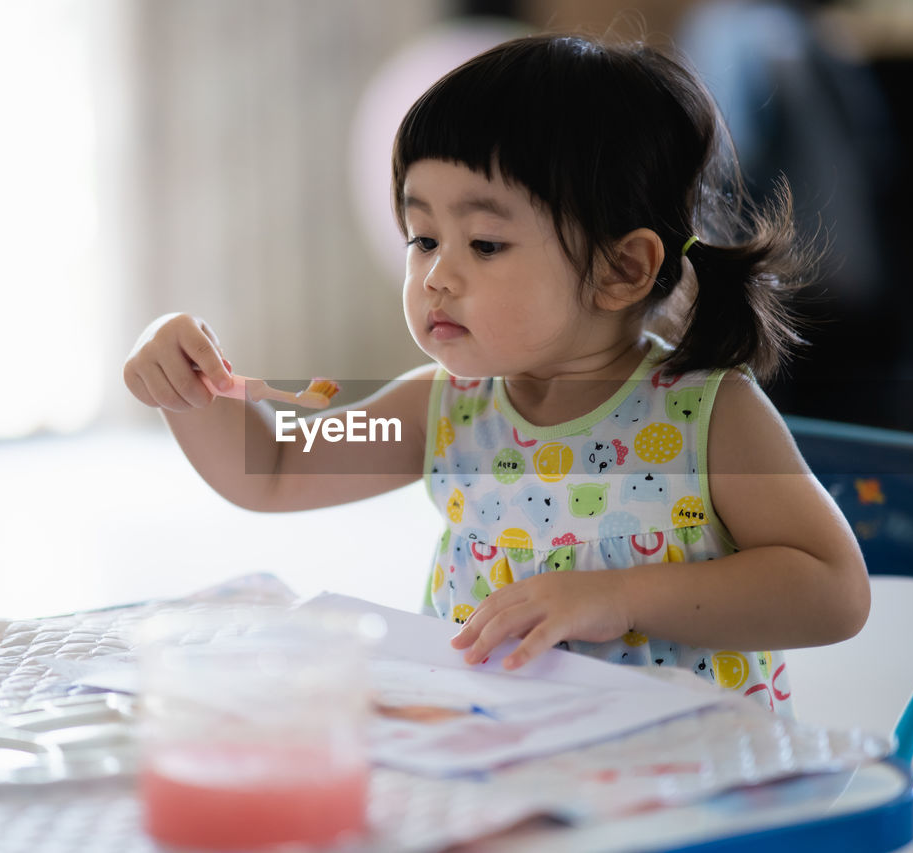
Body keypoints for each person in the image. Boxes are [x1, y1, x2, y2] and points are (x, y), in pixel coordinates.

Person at [123, 33, 870, 714]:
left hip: (686, 772)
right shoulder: (444, 406)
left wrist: (617, 596)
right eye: (422, 237)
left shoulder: (708, 414)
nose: (436, 275)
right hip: (504, 758)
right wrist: (186, 381)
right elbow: (275, 469)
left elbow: (832, 590)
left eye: (484, 243)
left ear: (622, 268)